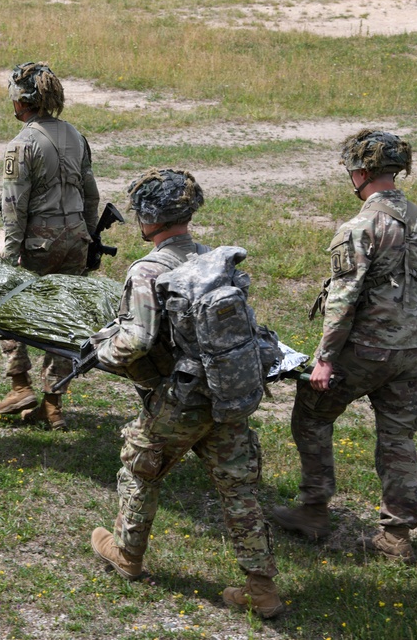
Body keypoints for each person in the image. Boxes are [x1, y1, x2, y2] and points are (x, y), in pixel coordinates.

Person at [89, 168, 283, 619]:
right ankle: (262, 588)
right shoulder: (212, 259)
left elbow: (136, 340)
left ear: (150, 218)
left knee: (141, 467)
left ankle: (126, 554)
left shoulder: (149, 270)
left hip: (181, 400)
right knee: (238, 489)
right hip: (225, 394)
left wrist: (101, 350)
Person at [272, 129, 417, 561]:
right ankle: (397, 536)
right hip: (410, 354)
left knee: (312, 415)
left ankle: (313, 509)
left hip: (364, 352)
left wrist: (325, 360)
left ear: (362, 171)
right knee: (398, 439)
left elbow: (343, 299)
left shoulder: (360, 227)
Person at [0, 61, 101, 430]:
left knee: (7, 306)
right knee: (65, 319)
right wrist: (89, 238)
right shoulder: (76, 135)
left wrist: (9, 257)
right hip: (76, 240)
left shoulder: (21, 145)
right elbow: (91, 195)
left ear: (22, 100)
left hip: (40, 243)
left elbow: (13, 207)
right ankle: (52, 404)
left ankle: (20, 384)